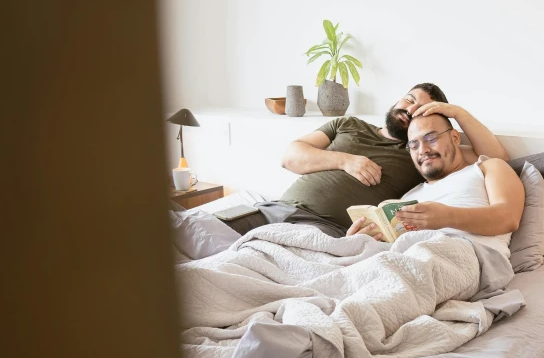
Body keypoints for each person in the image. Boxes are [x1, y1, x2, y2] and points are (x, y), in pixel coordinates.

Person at [221, 83, 509, 237]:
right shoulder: (348, 124)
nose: (410, 109)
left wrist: (456, 113)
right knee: (195, 232)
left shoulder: (422, 154)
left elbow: (495, 158)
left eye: (421, 109)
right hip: (275, 209)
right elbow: (290, 157)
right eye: (409, 99)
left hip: (320, 228)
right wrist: (345, 161)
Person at [347, 112, 524, 257]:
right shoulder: (408, 198)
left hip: (466, 256)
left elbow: (508, 217)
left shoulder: (487, 167)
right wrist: (359, 243)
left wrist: (447, 217)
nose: (422, 150)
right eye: (414, 145)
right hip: (402, 258)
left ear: (455, 137)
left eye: (431, 139)